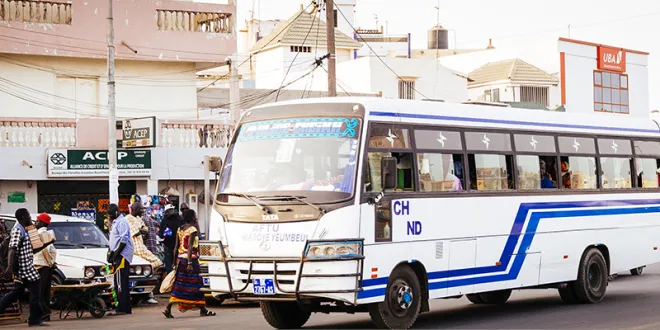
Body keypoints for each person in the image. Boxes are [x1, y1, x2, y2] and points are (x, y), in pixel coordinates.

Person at [163, 209, 216, 318]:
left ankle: (169, 308)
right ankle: (202, 309)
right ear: (192, 218)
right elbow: (191, 247)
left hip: (180, 260)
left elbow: (176, 247)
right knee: (197, 284)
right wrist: (190, 263)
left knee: (179, 286)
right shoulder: (192, 229)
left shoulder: (180, 229)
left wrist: (174, 263)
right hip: (190, 260)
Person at [0, 209, 47, 327]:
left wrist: (45, 244)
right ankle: (35, 319)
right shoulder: (18, 230)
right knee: (35, 290)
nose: (30, 218)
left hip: (25, 268)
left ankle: (35, 318)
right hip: (25, 269)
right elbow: (12, 248)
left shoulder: (24, 230)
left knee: (15, 293)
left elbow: (28, 250)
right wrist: (10, 267)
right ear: (22, 217)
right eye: (28, 216)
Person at [107, 203, 134, 316]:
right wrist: (110, 252)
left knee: (120, 283)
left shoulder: (122, 222)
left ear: (116, 213)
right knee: (121, 281)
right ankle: (126, 308)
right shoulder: (115, 222)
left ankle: (122, 308)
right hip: (118, 254)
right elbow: (114, 240)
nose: (109, 216)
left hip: (122, 255)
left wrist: (116, 254)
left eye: (110, 214)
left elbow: (124, 239)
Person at [34, 213, 57, 322]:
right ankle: (45, 314)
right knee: (44, 292)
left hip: (41, 266)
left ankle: (44, 313)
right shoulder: (45, 233)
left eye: (37, 221)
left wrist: (50, 262)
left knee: (40, 292)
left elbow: (47, 250)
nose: (35, 223)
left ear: (42, 223)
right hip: (45, 266)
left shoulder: (41, 233)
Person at [127, 203, 163, 271]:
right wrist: (141, 230)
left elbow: (145, 230)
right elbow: (136, 233)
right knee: (156, 262)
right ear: (136, 210)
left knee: (157, 263)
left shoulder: (139, 218)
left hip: (142, 246)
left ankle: (146, 272)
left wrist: (141, 230)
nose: (142, 212)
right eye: (141, 210)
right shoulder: (128, 219)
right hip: (135, 248)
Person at [159, 204, 183, 273]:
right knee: (179, 266)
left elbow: (161, 235)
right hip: (179, 246)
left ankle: (170, 281)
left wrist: (166, 233)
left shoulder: (164, 220)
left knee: (169, 267)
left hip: (168, 246)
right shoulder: (180, 219)